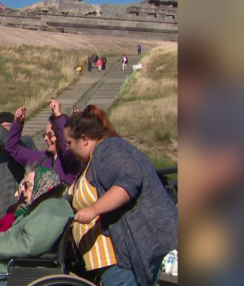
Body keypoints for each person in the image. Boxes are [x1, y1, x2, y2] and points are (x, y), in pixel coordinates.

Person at [64, 105, 177, 286]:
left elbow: (130, 180)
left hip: (127, 257)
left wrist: (94, 209)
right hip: (118, 260)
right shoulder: (95, 157)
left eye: (69, 142)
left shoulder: (108, 148)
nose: (67, 148)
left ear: (84, 139)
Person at [1, 99, 80, 185]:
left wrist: (58, 116)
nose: (46, 138)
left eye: (50, 135)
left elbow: (67, 144)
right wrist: (17, 124)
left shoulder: (72, 160)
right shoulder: (43, 158)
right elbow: (12, 148)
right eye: (45, 135)